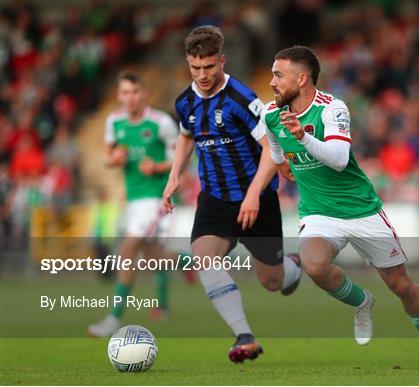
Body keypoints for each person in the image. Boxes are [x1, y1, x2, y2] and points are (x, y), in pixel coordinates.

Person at [262, 45, 419, 368]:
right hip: (319, 213)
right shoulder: (270, 115)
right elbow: (277, 152)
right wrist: (282, 166)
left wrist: (304, 138)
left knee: (401, 285)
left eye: (279, 75)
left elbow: (338, 160)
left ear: (302, 78)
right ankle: (362, 302)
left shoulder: (332, 108)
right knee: (315, 266)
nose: (272, 82)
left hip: (361, 210)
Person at [163, 26, 302, 363]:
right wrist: (174, 176)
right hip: (214, 198)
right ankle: (244, 335)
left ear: (221, 60)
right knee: (203, 256)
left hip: (257, 196)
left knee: (271, 281)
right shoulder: (185, 101)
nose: (202, 74)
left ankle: (292, 268)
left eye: (209, 67)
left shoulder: (242, 99)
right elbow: (185, 136)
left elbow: (271, 149)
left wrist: (254, 194)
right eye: (195, 68)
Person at [87, 71, 178, 337]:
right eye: (125, 92)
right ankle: (199, 261)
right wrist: (114, 159)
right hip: (133, 200)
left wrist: (158, 165)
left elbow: (180, 157)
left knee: (127, 249)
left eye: (135, 92)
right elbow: (109, 156)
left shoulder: (161, 122)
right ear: (119, 95)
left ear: (144, 94)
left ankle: (113, 318)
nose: (130, 98)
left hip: (155, 198)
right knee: (155, 258)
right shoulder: (114, 122)